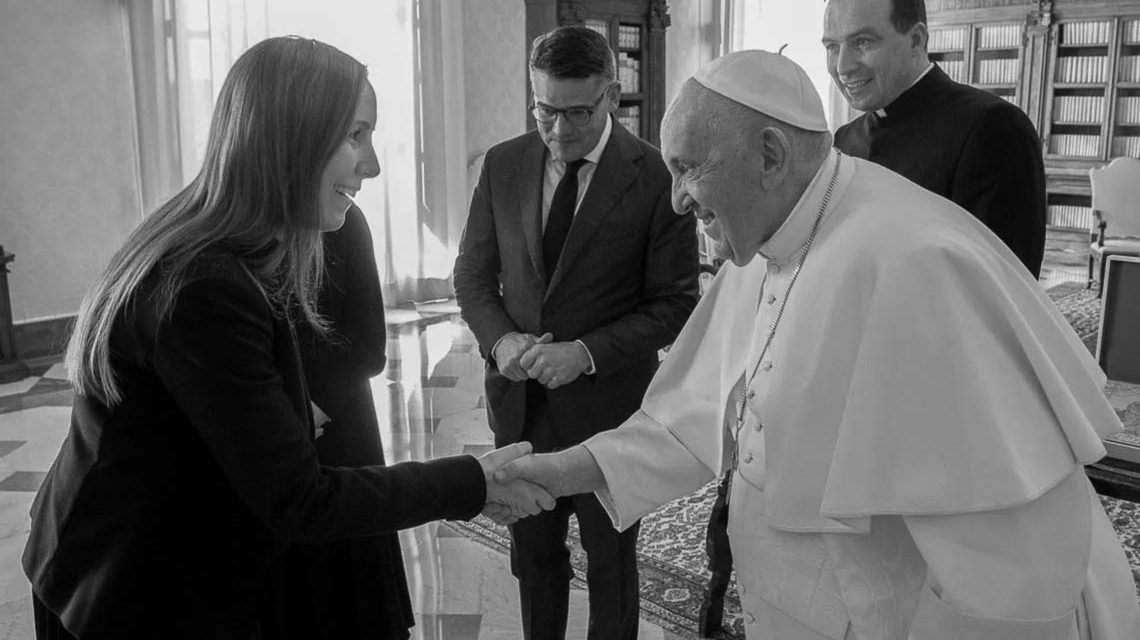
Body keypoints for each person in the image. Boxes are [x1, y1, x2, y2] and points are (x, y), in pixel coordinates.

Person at [495, 50, 1140, 639]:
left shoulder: (916, 260)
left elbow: (993, 558)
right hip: (785, 605)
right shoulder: (763, 237)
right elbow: (689, 421)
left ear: (771, 156)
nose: (676, 198)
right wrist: (566, 468)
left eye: (689, 169)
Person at [23, 36, 553, 640]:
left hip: (157, 556)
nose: (373, 164)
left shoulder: (228, 247)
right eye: (356, 134)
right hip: (126, 583)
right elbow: (302, 499)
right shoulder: (204, 284)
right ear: (291, 136)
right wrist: (471, 480)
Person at [452, 25, 700, 640]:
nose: (559, 129)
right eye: (544, 111)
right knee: (534, 558)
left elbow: (675, 302)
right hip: (521, 411)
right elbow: (473, 274)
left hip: (608, 412)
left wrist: (586, 354)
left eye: (577, 113)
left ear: (612, 95)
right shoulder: (503, 164)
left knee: (611, 561)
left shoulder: (653, 176)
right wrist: (502, 341)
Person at [260, 204, 416, 640]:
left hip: (340, 426)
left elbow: (367, 346)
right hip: (267, 433)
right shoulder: (235, 228)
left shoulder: (345, 220)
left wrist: (309, 414)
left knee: (353, 595)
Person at [826, 0, 1047, 278]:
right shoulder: (845, 139)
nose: (843, 66)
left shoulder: (993, 126)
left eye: (863, 42)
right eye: (832, 47)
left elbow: (1006, 287)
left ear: (916, 40)